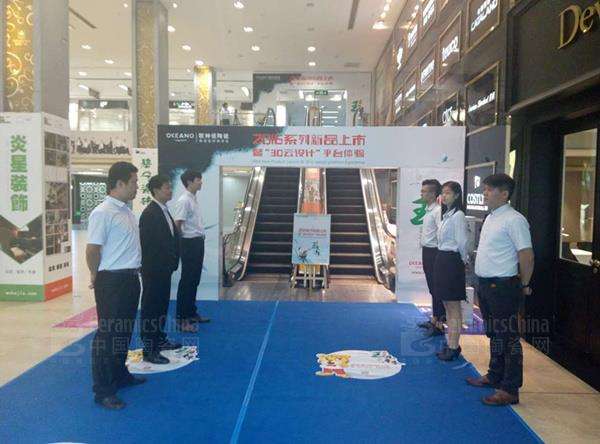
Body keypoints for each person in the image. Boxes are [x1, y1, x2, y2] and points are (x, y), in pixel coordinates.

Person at [468, 174, 534, 406]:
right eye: (484, 189)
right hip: (487, 285)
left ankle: (510, 388)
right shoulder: (491, 217)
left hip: (504, 286)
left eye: (489, 190)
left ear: (504, 194)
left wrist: (524, 284)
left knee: (508, 338)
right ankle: (495, 375)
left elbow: (526, 254)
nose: (484, 193)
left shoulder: (515, 220)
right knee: (494, 334)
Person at [86, 162, 145, 410]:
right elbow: (92, 249)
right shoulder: (102, 212)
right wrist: (95, 274)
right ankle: (103, 390)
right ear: (119, 184)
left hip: (130, 279)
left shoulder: (127, 212)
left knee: (124, 331)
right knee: (108, 335)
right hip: (111, 281)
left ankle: (120, 375)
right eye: (133, 182)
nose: (136, 187)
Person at [139, 175, 183, 365]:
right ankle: (150, 348)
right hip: (153, 271)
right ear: (156, 190)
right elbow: (147, 246)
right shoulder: (150, 213)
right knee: (151, 308)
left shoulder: (163, 210)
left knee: (161, 306)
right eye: (166, 187)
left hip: (164, 270)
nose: (170, 190)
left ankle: (159, 339)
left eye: (170, 187)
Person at [172, 170, 211, 333]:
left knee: (194, 279)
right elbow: (178, 225)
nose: (201, 182)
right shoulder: (184, 201)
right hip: (189, 243)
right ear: (189, 182)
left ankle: (191, 313)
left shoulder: (193, 199)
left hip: (197, 242)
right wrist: (181, 245)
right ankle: (182, 318)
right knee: (187, 281)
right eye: (198, 180)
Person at [434, 181, 468, 361]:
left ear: (457, 195)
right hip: (443, 259)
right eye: (443, 193)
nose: (444, 196)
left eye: (448, 193)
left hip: (452, 261)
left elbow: (462, 242)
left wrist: (463, 261)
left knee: (453, 306)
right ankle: (451, 343)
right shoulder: (447, 214)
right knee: (447, 304)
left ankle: (454, 346)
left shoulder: (458, 216)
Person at [417, 179, 446, 337]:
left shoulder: (437, 211)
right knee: (432, 287)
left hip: (435, 252)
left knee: (437, 287)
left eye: (424, 191)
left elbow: (442, 233)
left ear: (434, 193)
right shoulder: (429, 210)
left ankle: (439, 324)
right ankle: (434, 319)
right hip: (427, 251)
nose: (421, 193)